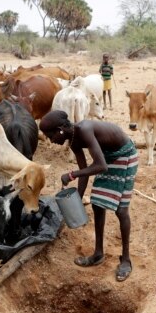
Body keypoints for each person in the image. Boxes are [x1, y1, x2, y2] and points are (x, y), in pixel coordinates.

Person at [40, 110, 138, 281]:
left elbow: (100, 166)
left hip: (125, 155)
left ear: (60, 129)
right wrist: (76, 199)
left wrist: (72, 175)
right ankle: (98, 254)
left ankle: (126, 260)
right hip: (107, 158)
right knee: (97, 204)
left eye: (51, 135)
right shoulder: (72, 140)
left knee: (121, 210)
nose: (51, 141)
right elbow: (85, 172)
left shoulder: (84, 129)